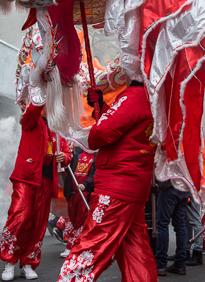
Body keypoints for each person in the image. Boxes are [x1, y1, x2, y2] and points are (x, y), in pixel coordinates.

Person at [57, 82, 157, 282]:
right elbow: (126, 132)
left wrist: (101, 118)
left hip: (116, 184)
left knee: (91, 246)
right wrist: (102, 108)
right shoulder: (151, 97)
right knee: (136, 252)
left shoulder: (135, 96)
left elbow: (100, 134)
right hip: (133, 184)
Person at [0, 101, 72, 280]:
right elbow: (33, 109)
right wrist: (41, 88)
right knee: (19, 217)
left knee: (38, 223)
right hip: (26, 178)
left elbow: (66, 152)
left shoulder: (57, 130)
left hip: (46, 180)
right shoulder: (31, 120)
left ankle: (29, 263)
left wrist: (65, 157)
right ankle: (9, 261)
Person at [60, 146, 95, 257]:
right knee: (74, 221)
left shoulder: (97, 155)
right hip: (72, 193)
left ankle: (71, 246)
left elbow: (96, 174)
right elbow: (67, 166)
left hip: (85, 194)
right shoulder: (76, 152)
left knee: (81, 222)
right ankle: (79, 245)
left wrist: (85, 185)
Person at [156, 179, 190, 276]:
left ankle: (161, 264)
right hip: (184, 187)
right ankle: (180, 263)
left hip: (169, 186)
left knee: (162, 225)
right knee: (180, 225)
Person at [184, 198, 203, 266]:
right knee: (187, 221)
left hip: (190, 192)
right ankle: (187, 250)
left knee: (194, 220)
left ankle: (197, 251)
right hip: (190, 192)